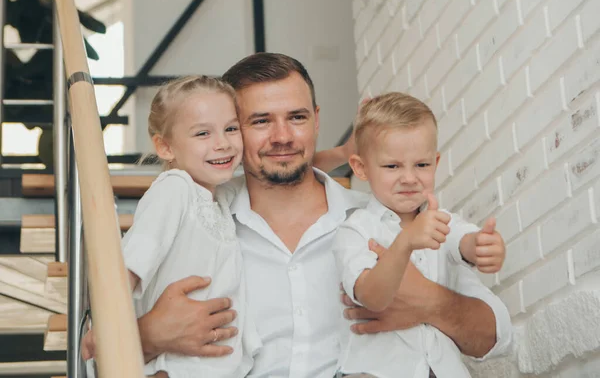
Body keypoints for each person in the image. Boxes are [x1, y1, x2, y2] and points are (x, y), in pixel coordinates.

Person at [83, 53, 512, 378]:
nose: (283, 136)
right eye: (260, 121)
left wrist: (428, 303)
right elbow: (93, 351)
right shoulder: (194, 227)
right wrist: (149, 334)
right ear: (233, 129)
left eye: (297, 117)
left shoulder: (381, 221)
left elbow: (496, 338)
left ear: (317, 120)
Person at [332, 93, 507, 378]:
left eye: (421, 165)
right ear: (361, 168)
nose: (410, 178)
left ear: (435, 163)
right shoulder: (355, 230)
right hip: (375, 373)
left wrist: (483, 247)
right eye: (392, 166)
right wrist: (405, 242)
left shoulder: (439, 218)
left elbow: (462, 240)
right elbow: (371, 298)